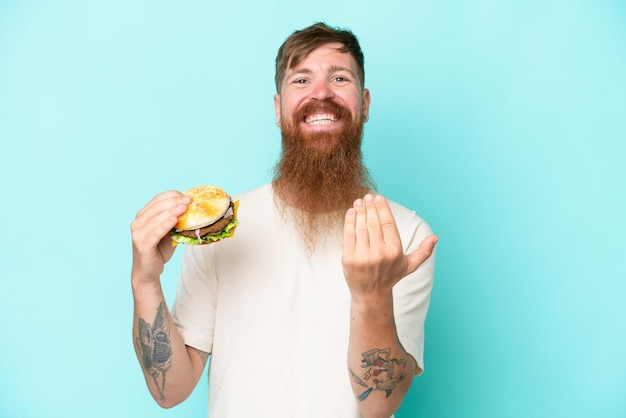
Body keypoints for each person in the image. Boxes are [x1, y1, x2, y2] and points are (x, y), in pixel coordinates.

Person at [130, 22, 438, 418]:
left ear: (364, 105)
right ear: (278, 109)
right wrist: (144, 280)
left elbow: (379, 406)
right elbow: (170, 391)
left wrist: (371, 294)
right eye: (302, 79)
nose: (321, 92)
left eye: (339, 77)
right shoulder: (221, 228)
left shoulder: (405, 235)